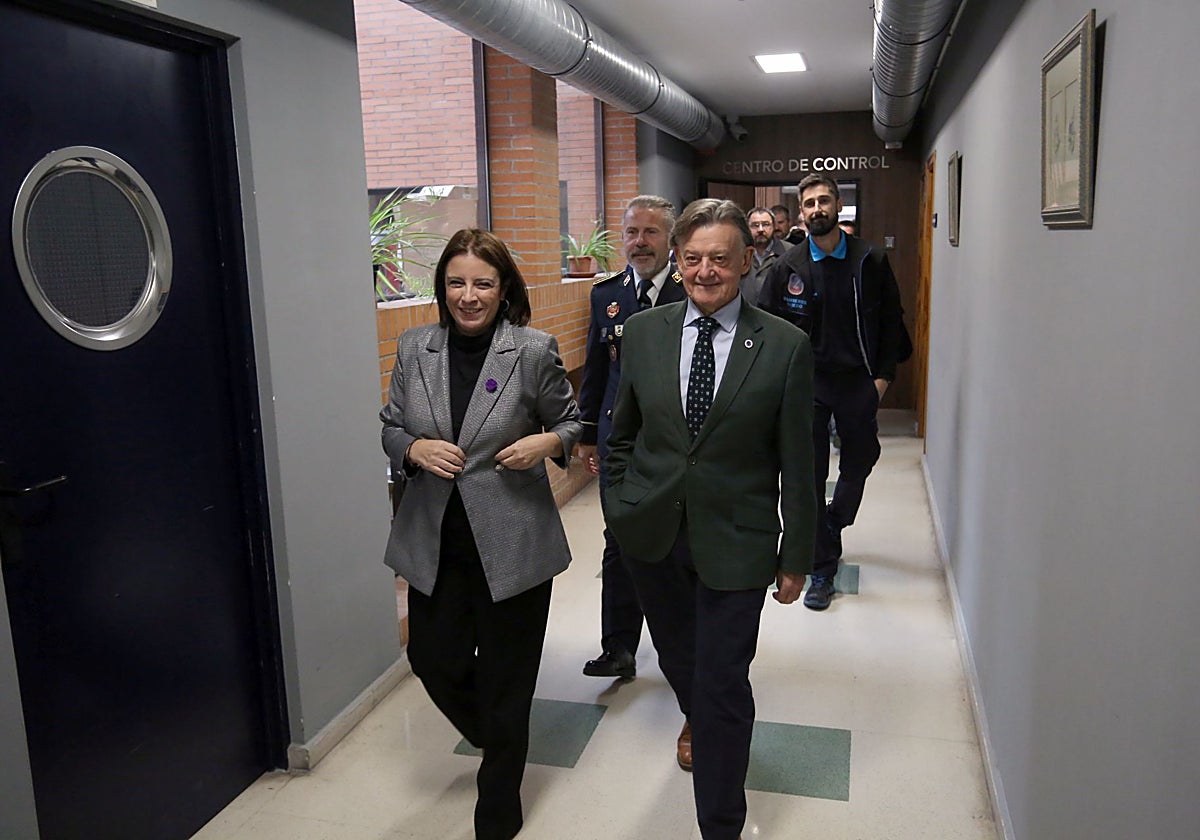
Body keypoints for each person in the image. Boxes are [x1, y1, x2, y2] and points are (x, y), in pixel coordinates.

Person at [604, 198, 815, 840]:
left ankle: (720, 822)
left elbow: (798, 465)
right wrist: (621, 508)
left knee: (722, 681)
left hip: (739, 543)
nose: (704, 272)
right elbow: (622, 436)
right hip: (652, 538)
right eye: (691, 259)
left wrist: (796, 555)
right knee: (682, 663)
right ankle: (700, 722)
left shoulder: (783, 346)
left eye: (719, 259)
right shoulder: (643, 332)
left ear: (745, 262)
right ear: (677, 261)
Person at [380, 229, 582, 840]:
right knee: (430, 658)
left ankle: (499, 802)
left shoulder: (533, 349)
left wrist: (546, 442)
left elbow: (570, 422)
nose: (468, 296)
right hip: (436, 541)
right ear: (442, 288)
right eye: (456, 283)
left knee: (507, 676)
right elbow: (390, 426)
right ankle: (501, 739)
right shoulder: (416, 348)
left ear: (504, 290)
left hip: (513, 542)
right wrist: (413, 446)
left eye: (483, 284)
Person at [757, 174, 910, 611]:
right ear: (801, 212)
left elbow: (891, 324)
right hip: (808, 384)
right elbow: (766, 324)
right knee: (808, 471)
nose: (817, 208)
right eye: (809, 203)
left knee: (862, 457)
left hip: (858, 381)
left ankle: (833, 521)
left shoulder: (869, 260)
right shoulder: (790, 266)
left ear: (838, 205)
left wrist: (881, 380)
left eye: (824, 200)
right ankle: (822, 569)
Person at [577, 195, 685, 680]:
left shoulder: (693, 289)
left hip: (675, 444)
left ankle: (683, 650)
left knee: (676, 544)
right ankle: (618, 645)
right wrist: (586, 435)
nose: (639, 243)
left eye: (651, 233)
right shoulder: (607, 294)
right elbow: (597, 369)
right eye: (631, 233)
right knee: (617, 539)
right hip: (618, 441)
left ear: (671, 239)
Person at [740, 206, 790, 305]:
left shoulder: (789, 252)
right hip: (744, 313)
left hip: (777, 316)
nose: (761, 229)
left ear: (774, 226)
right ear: (747, 228)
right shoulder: (739, 252)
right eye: (755, 225)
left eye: (766, 224)